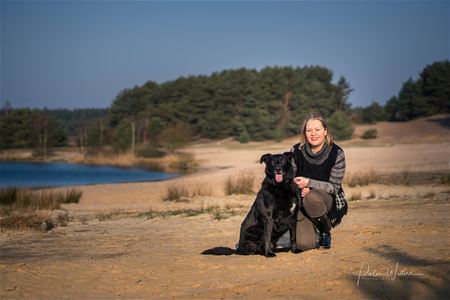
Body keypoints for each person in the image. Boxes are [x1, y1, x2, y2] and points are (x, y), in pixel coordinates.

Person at [290, 112, 348, 251]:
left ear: (325, 131)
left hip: (326, 199)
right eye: (309, 130)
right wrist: (298, 187)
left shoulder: (337, 153)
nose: (313, 134)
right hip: (302, 198)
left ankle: (324, 230)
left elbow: (334, 188)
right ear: (304, 133)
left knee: (312, 197)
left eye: (317, 129)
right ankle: (311, 227)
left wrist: (309, 183)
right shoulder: (295, 151)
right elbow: (288, 178)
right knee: (304, 245)